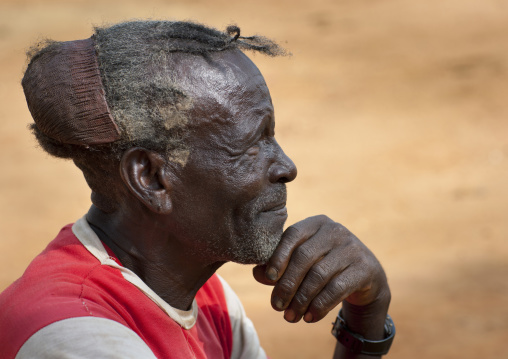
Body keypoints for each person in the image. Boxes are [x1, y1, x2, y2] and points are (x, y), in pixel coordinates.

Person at [0, 20, 394, 358]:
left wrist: (366, 315)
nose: (286, 168)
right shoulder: (77, 336)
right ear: (151, 178)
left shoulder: (206, 299)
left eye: (272, 137)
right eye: (250, 145)